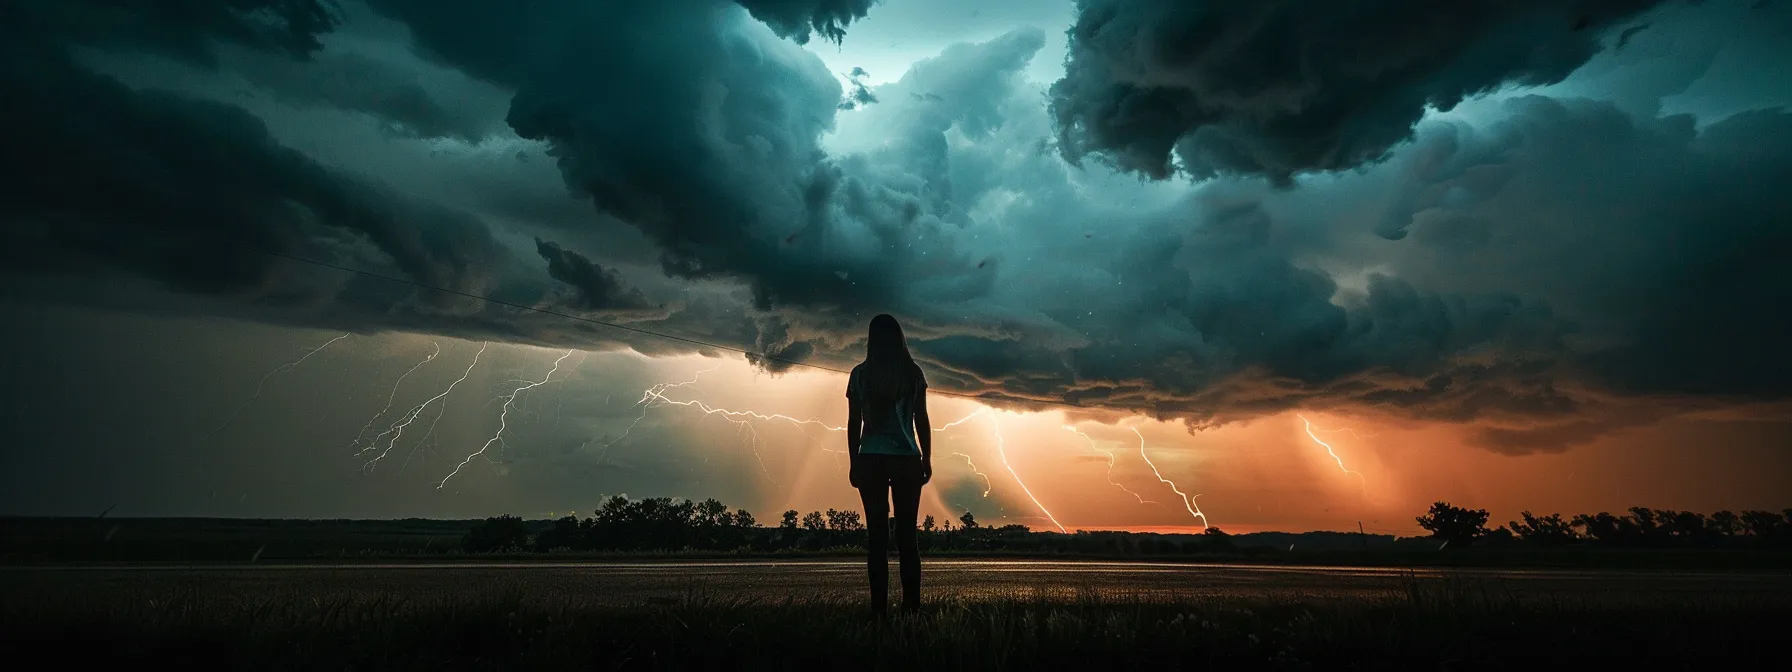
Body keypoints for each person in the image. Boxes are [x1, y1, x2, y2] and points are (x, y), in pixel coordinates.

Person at [845, 313, 931, 615]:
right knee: (908, 537)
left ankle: (879, 611)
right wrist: (927, 458)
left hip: (871, 459)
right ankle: (911, 610)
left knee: (877, 538)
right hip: (907, 459)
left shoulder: (859, 374)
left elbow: (854, 422)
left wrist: (854, 461)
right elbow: (921, 418)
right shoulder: (913, 372)